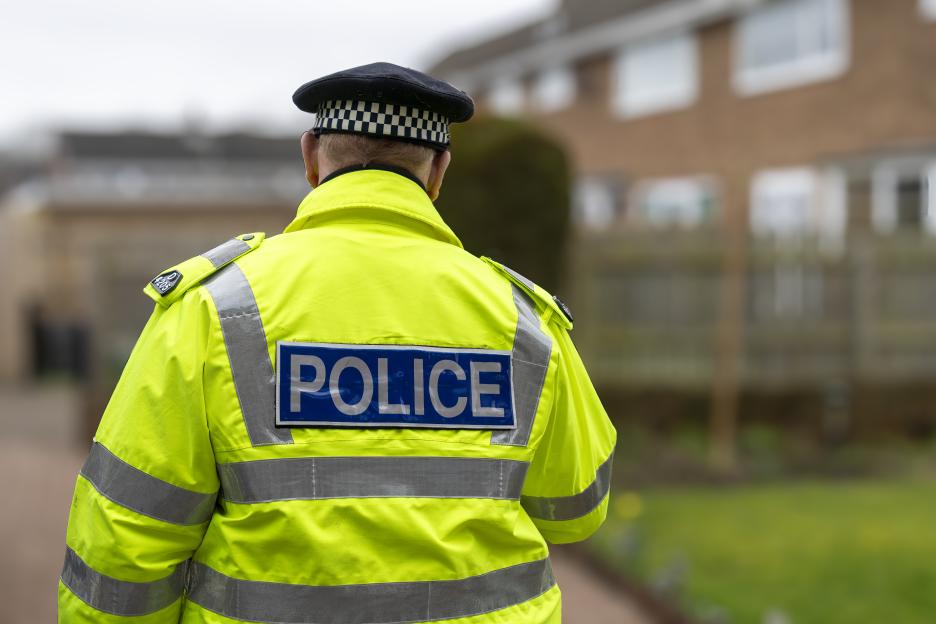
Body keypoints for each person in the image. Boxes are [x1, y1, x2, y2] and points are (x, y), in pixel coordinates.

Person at [58, 62, 616, 623]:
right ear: (440, 169)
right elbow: (575, 508)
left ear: (310, 156)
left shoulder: (217, 306)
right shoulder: (522, 318)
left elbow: (125, 538)